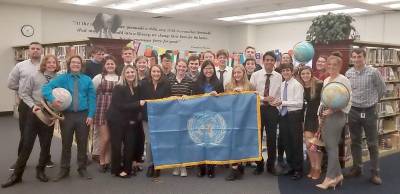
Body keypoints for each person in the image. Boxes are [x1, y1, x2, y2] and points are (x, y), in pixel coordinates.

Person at [2, 55, 60, 188]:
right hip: (34, 114)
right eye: (49, 62)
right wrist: (33, 105)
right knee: (27, 144)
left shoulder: (59, 78)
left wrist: (57, 111)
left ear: (57, 64)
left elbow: (61, 95)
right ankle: (17, 175)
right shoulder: (34, 76)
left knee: (46, 144)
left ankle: (40, 171)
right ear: (44, 64)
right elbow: (24, 94)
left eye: (54, 62)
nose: (51, 64)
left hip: (49, 115)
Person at [42, 55, 96, 181]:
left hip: (83, 115)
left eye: (78, 63)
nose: (76, 64)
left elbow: (92, 99)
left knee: (83, 143)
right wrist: (52, 99)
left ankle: (82, 169)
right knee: (66, 143)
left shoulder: (87, 80)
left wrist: (90, 115)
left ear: (81, 65)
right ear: (69, 64)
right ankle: (64, 169)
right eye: (73, 62)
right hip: (67, 115)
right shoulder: (62, 78)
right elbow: (46, 88)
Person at [7, 42, 55, 170]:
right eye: (32, 49)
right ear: (29, 51)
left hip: (46, 105)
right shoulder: (20, 66)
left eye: (38, 49)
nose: (35, 51)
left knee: (46, 133)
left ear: (42, 51)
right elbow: (11, 84)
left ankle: (46, 159)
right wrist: (26, 89)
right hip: (27, 105)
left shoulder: (47, 65)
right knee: (26, 134)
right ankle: (20, 160)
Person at [344, 48, 386, 185]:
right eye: (354, 57)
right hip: (353, 111)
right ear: (352, 58)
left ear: (364, 57)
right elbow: (347, 92)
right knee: (355, 141)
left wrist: (373, 102)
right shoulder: (348, 73)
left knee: (372, 143)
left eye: (359, 56)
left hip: (369, 111)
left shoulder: (373, 72)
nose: (356, 59)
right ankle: (357, 168)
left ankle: (375, 172)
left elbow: (382, 90)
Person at [316, 53, 352, 190]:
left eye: (334, 65)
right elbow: (324, 100)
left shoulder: (343, 80)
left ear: (340, 66)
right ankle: (338, 175)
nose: (331, 67)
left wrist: (334, 110)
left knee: (332, 147)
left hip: (337, 117)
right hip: (326, 116)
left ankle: (330, 178)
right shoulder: (326, 80)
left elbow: (348, 100)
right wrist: (319, 115)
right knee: (330, 146)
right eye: (329, 64)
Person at [106, 65, 142, 178]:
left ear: (135, 74)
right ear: (124, 75)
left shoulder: (137, 87)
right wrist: (138, 104)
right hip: (116, 120)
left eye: (132, 72)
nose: (130, 74)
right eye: (128, 72)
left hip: (129, 121)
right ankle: (116, 170)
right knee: (116, 146)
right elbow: (119, 106)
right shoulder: (119, 87)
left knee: (130, 145)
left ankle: (127, 169)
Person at [250, 51, 282, 175]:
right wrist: (264, 98)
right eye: (267, 60)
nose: (269, 62)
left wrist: (278, 104)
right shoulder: (255, 75)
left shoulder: (279, 76)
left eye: (271, 60)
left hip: (272, 110)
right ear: (263, 61)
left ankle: (271, 165)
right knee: (257, 138)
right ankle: (259, 164)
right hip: (258, 108)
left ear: (275, 62)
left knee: (272, 138)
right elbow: (252, 92)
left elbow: (280, 93)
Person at [193, 60, 224, 178]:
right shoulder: (196, 83)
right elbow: (193, 99)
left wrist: (218, 96)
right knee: (200, 141)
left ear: (213, 69)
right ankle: (201, 167)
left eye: (210, 68)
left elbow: (223, 100)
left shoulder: (219, 83)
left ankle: (211, 166)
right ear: (202, 70)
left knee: (211, 141)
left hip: (214, 116)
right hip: (200, 115)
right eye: (206, 68)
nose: (208, 70)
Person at [139, 64, 171, 178]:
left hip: (160, 118)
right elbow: (139, 99)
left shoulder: (166, 84)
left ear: (161, 73)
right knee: (149, 142)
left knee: (158, 142)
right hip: (147, 117)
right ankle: (150, 165)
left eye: (158, 72)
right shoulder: (143, 83)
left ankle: (158, 165)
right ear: (150, 72)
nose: (156, 74)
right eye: (154, 71)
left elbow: (168, 101)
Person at [224, 64, 255, 181]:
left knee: (242, 142)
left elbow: (254, 100)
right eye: (235, 73)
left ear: (243, 73)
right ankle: (234, 168)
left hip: (246, 119)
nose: (236, 75)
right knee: (233, 142)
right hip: (232, 118)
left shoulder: (250, 85)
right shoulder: (228, 86)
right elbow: (225, 102)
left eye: (239, 72)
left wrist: (244, 93)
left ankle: (239, 166)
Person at [275, 63, 304, 180]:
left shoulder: (297, 85)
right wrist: (277, 104)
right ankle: (291, 166)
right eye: (283, 71)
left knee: (296, 143)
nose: (285, 73)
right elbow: (281, 101)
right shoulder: (282, 85)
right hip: (283, 116)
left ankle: (298, 169)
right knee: (287, 143)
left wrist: (283, 102)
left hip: (294, 116)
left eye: (288, 70)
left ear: (292, 72)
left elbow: (299, 103)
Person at [92, 56, 119, 173]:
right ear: (104, 65)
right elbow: (92, 93)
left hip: (116, 110)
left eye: (112, 64)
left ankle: (108, 160)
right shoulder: (99, 78)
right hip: (102, 109)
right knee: (105, 138)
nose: (110, 66)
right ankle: (102, 160)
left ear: (116, 65)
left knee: (113, 137)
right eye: (108, 64)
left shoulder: (120, 78)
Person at [298, 66, 323, 180]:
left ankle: (318, 168)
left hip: (317, 117)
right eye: (303, 74)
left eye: (307, 73)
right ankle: (312, 167)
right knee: (308, 145)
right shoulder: (300, 86)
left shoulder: (319, 84)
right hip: (306, 117)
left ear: (311, 74)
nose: (305, 76)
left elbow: (325, 101)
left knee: (316, 145)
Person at [170, 59, 193, 177]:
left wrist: (188, 97)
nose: (181, 68)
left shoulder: (190, 81)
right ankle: (176, 165)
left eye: (184, 67)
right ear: (176, 67)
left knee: (184, 140)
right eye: (180, 66)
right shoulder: (169, 80)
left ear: (186, 68)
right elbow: (165, 96)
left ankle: (183, 165)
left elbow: (195, 98)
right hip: (172, 115)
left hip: (186, 115)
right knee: (174, 140)